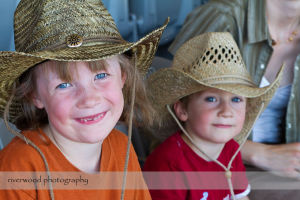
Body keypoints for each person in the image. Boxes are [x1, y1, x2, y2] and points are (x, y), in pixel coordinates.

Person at [0, 0, 168, 199]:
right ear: (34, 95)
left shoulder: (122, 148)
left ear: (123, 77)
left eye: (101, 76)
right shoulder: (18, 169)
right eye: (64, 85)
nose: (89, 99)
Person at [169, 0, 300, 184]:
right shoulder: (222, 17)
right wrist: (259, 154)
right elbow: (167, 115)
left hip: (288, 168)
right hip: (213, 167)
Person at [143, 32, 282, 200]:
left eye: (236, 99)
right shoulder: (167, 164)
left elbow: (239, 197)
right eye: (211, 99)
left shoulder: (231, 149)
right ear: (182, 110)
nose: (226, 111)